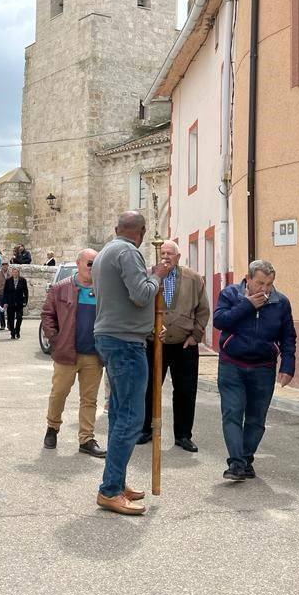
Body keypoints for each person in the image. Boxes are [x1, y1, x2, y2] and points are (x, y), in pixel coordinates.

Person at [93, 211, 171, 515]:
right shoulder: (128, 252)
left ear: (117, 229)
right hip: (125, 343)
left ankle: (115, 480)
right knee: (130, 418)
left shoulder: (106, 253)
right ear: (141, 232)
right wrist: (157, 276)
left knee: (119, 417)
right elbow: (141, 295)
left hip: (115, 338)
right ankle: (110, 490)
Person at [213, 259, 296, 481]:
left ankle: (245, 459)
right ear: (248, 279)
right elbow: (219, 321)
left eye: (269, 284)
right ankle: (237, 464)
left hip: (263, 368)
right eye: (260, 283)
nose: (265, 289)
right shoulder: (230, 294)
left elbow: (288, 337)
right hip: (232, 364)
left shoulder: (281, 302)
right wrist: (247, 305)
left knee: (256, 420)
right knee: (232, 413)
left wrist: (288, 365)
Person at [138, 240, 210, 452]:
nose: (166, 257)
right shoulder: (148, 275)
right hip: (153, 343)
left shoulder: (193, 278)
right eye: (163, 253)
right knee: (149, 388)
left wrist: (195, 336)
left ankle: (183, 435)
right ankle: (146, 430)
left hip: (184, 345)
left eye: (171, 253)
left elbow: (203, 310)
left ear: (178, 257)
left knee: (186, 391)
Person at [41, 248, 106, 458]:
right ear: (78, 263)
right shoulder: (61, 288)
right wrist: (56, 340)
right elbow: (47, 315)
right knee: (59, 393)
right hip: (67, 354)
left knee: (89, 399)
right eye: (90, 263)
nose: (93, 268)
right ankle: (52, 428)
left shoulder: (103, 290)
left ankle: (86, 439)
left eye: (96, 264)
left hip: (94, 355)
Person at [3, 266, 29, 339]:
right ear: (12, 273)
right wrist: (5, 302)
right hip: (10, 302)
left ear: (18, 273)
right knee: (10, 318)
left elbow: (25, 291)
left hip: (19, 302)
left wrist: (25, 301)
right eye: (13, 272)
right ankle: (12, 332)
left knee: (19, 317)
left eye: (16, 272)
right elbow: (5, 292)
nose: (15, 273)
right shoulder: (8, 280)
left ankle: (17, 330)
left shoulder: (23, 280)